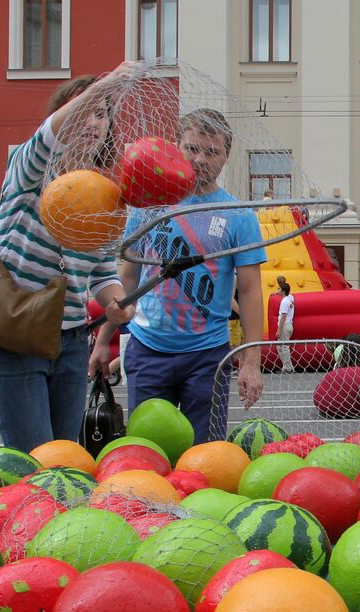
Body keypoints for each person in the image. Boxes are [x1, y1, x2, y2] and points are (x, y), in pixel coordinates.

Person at [0, 69, 135, 451]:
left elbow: (100, 271)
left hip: (69, 344)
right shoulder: (29, 167)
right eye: (83, 111)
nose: (93, 122)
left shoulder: (102, 193)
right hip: (14, 337)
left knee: (64, 460)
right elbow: (47, 134)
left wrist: (118, 304)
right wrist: (107, 82)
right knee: (35, 461)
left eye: (101, 114)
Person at [97, 108, 266, 443]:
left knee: (204, 453)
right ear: (176, 148)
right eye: (192, 148)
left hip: (208, 355)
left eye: (211, 151)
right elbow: (127, 278)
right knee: (148, 450)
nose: (201, 159)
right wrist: (104, 340)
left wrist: (251, 362)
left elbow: (249, 292)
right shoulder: (149, 204)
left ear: (226, 156)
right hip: (147, 350)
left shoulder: (238, 215)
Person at [276, 279, 295, 373]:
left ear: (283, 291)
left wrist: (279, 330)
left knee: (283, 347)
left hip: (284, 325)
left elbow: (283, 317)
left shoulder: (284, 302)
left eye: (278, 289)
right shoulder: (290, 298)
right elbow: (287, 293)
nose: (277, 290)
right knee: (280, 346)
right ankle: (289, 366)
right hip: (289, 325)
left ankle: (287, 368)